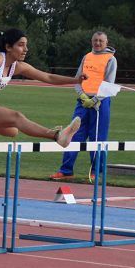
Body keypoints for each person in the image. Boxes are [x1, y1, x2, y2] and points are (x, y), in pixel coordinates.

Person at [50, 31, 117, 181]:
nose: (97, 43)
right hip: (83, 100)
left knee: (97, 138)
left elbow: (109, 84)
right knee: (72, 134)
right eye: (95, 40)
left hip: (100, 102)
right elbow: (77, 78)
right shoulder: (86, 57)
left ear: (106, 43)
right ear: (91, 41)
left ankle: (96, 172)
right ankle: (66, 170)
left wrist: (94, 100)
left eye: (100, 40)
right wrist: (82, 95)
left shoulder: (111, 59)